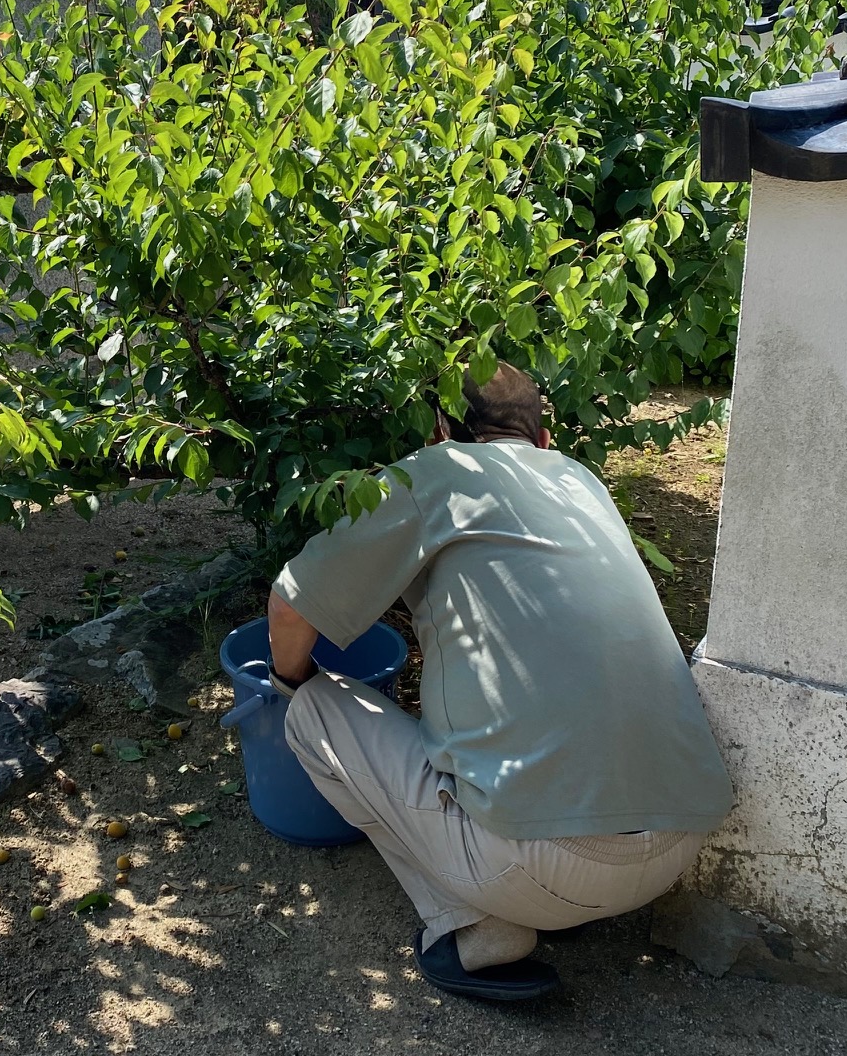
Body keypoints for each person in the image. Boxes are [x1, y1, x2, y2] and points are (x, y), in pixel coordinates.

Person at [268, 362, 734, 1002]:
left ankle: (480, 930)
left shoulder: (439, 471)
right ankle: (549, 898)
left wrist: (288, 683)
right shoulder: (582, 482)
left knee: (315, 709)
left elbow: (291, 605)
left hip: (537, 864)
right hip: (676, 846)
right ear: (543, 439)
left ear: (441, 432)